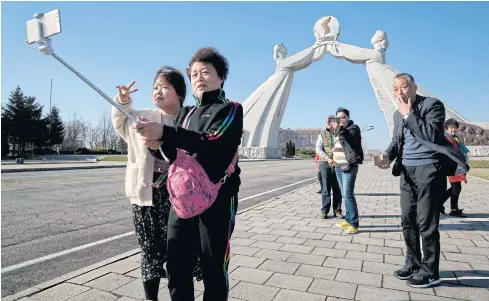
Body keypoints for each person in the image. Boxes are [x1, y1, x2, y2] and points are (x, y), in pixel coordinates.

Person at [133, 47, 243, 301]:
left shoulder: (230, 109)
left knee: (213, 268)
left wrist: (164, 132)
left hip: (218, 199)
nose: (199, 78)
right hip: (182, 201)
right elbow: (175, 157)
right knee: (176, 265)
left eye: (206, 72)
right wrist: (156, 145)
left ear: (221, 77)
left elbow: (211, 140)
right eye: (194, 74)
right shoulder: (186, 113)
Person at [111, 67, 203, 301]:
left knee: (181, 252)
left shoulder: (192, 119)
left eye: (164, 87)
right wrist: (123, 100)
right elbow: (121, 119)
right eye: (155, 87)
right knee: (150, 251)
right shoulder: (142, 116)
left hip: (182, 197)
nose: (157, 91)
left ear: (180, 93)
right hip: (148, 195)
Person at [378, 73, 468, 288]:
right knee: (407, 220)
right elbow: (396, 142)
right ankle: (412, 263)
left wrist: (409, 115)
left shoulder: (432, 106)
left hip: (429, 169)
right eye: (396, 89)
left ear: (415, 87)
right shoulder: (397, 114)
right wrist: (386, 156)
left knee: (426, 223)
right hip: (407, 172)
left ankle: (430, 271)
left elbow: (431, 135)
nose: (400, 92)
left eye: (404, 87)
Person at [331, 108, 363, 233]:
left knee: (348, 194)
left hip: (349, 165)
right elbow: (340, 145)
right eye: (338, 118)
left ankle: (354, 224)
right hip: (339, 166)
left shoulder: (353, 128)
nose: (341, 120)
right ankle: (348, 219)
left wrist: (339, 129)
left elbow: (349, 140)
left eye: (343, 117)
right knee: (344, 194)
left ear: (348, 118)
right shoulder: (338, 132)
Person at [316, 115, 343, 219]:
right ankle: (324, 210)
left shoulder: (340, 133)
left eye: (331, 121)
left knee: (337, 188)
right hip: (325, 163)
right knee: (326, 188)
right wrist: (328, 158)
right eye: (327, 121)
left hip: (338, 163)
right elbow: (318, 148)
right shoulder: (322, 133)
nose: (328, 122)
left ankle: (337, 211)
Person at [441, 118, 469, 217]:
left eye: (455, 128)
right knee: (456, 188)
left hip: (458, 166)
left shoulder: (455, 138)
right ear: (446, 128)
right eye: (451, 128)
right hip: (452, 167)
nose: (453, 129)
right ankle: (446, 206)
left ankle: (450, 208)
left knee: (456, 188)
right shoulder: (445, 138)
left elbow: (459, 152)